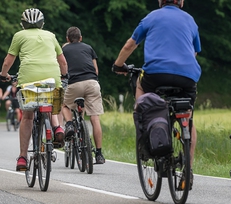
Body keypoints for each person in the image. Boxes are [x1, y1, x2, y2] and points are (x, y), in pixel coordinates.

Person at [112, 0, 201, 189]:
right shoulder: (190, 20)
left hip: (156, 75)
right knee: (188, 116)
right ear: (181, 2)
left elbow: (130, 45)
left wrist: (118, 65)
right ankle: (188, 169)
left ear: (161, 1)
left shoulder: (151, 17)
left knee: (140, 87)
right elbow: (195, 52)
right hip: (188, 77)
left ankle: (143, 124)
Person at [0, 8, 68, 171]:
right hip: (52, 77)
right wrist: (64, 76)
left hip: (29, 79)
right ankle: (58, 127)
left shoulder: (19, 36)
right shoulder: (51, 36)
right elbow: (63, 61)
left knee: (28, 117)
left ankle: (23, 158)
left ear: (23, 24)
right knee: (53, 104)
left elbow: (9, 60)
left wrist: (3, 74)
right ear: (42, 23)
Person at [62, 26, 105, 164]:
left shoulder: (64, 50)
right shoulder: (88, 48)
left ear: (67, 39)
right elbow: (96, 70)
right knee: (95, 118)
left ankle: (69, 124)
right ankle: (99, 154)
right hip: (92, 83)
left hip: (74, 84)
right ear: (81, 38)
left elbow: (61, 68)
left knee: (65, 105)